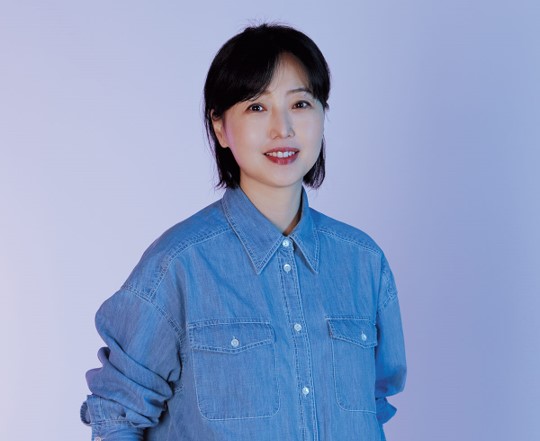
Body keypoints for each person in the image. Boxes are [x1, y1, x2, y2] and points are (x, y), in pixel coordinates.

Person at [81, 23, 406, 441]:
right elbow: (117, 415)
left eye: (301, 103)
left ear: (323, 115)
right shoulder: (179, 266)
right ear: (220, 127)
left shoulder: (364, 263)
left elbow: (375, 404)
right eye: (256, 107)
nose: (282, 128)